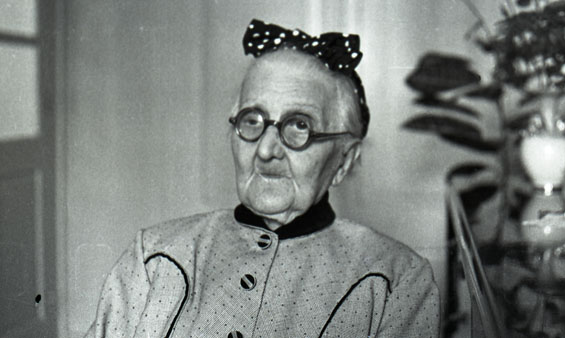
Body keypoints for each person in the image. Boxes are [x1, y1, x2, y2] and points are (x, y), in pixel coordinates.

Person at [85, 19, 441, 338]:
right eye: (252, 121)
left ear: (344, 160)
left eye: (299, 125)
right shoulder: (154, 258)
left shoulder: (395, 281)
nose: (267, 150)